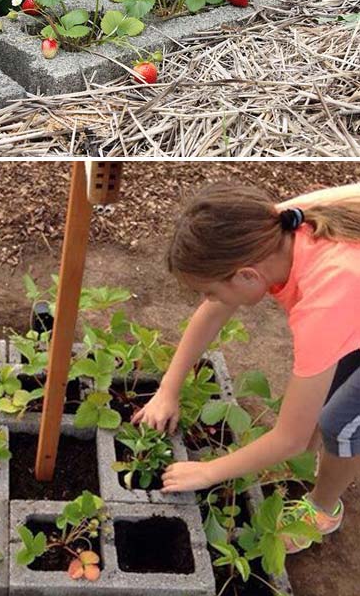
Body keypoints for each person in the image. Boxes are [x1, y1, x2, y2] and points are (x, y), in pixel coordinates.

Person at [132, 182, 360, 553]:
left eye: (211, 291)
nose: (210, 300)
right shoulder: (271, 226)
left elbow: (290, 438)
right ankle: (316, 460)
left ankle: (323, 509)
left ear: (247, 276)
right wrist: (167, 390)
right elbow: (213, 313)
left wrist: (207, 471)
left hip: (348, 298)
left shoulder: (327, 298)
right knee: (330, 388)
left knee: (342, 421)